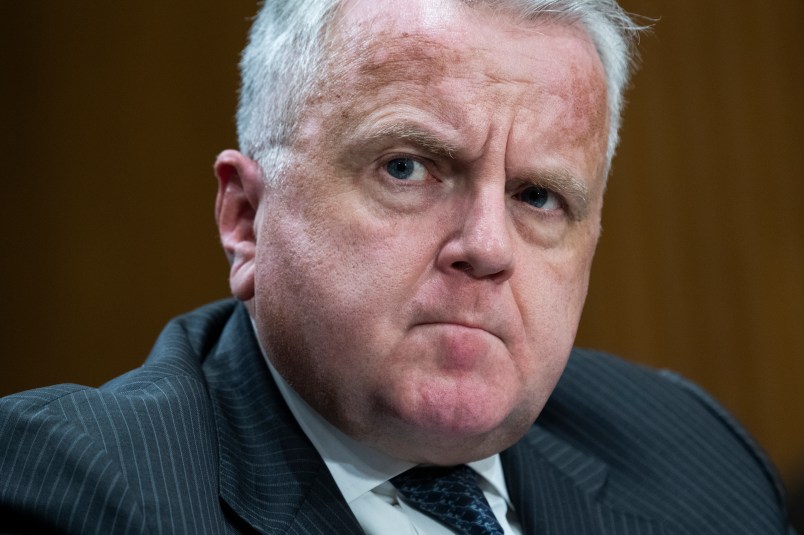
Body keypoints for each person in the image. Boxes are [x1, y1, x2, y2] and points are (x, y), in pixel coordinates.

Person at [0, 0, 795, 533]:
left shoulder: (696, 460)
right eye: (407, 168)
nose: (487, 246)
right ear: (245, 218)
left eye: (539, 195)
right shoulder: (74, 488)